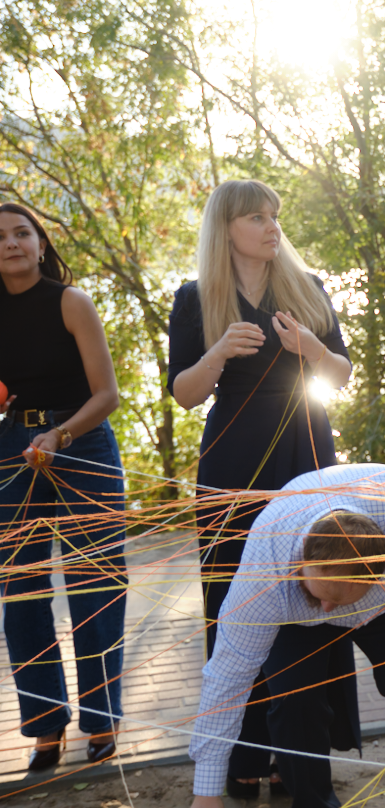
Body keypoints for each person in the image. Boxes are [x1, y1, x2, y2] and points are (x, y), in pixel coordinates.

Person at [168, 178, 353, 796]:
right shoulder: (195, 299)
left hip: (305, 445)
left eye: (275, 216)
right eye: (256, 217)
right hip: (232, 457)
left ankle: (300, 756)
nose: (272, 226)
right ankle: (242, 757)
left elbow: (342, 374)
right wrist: (218, 352)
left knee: (314, 583)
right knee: (234, 597)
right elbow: (187, 393)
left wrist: (309, 349)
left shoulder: (308, 288)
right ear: (227, 228)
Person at [187, 463, 385, 808]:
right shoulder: (265, 578)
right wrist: (206, 792)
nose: (326, 608)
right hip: (293, 613)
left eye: (337, 598)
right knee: (295, 701)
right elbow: (226, 678)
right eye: (320, 592)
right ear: (304, 557)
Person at [0, 202, 128, 769]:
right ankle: (45, 726)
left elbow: (107, 395)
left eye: (22, 232)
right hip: (13, 452)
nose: (11, 243)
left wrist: (60, 434)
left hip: (83, 441)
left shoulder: (70, 302)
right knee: (22, 592)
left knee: (94, 588)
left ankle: (103, 721)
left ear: (41, 242)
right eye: (0, 237)